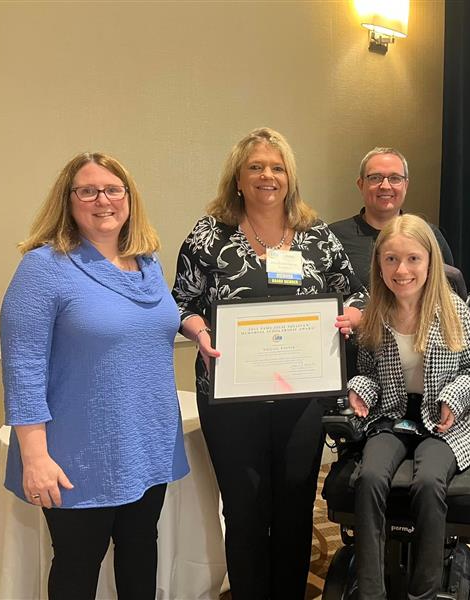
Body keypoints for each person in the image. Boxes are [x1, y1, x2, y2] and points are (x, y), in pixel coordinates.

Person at [172, 127, 366, 599]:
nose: (267, 175)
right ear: (237, 178)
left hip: (301, 397)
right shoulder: (209, 235)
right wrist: (199, 331)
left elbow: (357, 291)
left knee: (295, 509)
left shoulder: (317, 236)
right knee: (244, 510)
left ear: (290, 178)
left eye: (277, 167)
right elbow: (180, 302)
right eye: (256, 166)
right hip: (230, 397)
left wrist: (353, 315)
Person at [0, 152, 189, 600]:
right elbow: (22, 367)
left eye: (113, 189)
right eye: (88, 190)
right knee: (78, 563)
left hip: (146, 444)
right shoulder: (43, 268)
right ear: (68, 201)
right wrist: (35, 457)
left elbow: (151, 331)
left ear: (129, 199)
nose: (103, 200)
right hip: (77, 452)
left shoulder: (147, 262)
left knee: (141, 550)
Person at [347, 214, 470, 599]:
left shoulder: (454, 312)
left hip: (443, 422)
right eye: (391, 259)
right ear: (379, 264)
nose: (402, 269)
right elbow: (367, 373)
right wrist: (360, 390)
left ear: (429, 262)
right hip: (392, 417)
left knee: (428, 483)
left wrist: (453, 398)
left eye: (412, 259)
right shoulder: (374, 315)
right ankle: (371, 592)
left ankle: (423, 592)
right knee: (370, 478)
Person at [329, 147, 454, 288]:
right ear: (361, 184)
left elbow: (447, 291)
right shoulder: (332, 237)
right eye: (375, 178)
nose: (385, 186)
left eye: (395, 178)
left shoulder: (428, 235)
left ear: (405, 185)